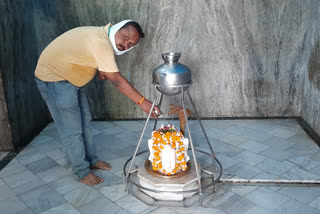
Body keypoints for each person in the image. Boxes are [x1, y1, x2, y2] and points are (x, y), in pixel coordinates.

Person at [34, 20, 160, 186]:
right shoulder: (101, 42)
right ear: (117, 29)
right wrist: (143, 102)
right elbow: (115, 79)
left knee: (84, 122)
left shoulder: (103, 37)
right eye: (125, 37)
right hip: (55, 79)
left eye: (131, 44)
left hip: (72, 78)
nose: (126, 44)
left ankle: (91, 160)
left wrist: (103, 69)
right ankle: (81, 171)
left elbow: (96, 59)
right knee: (72, 130)